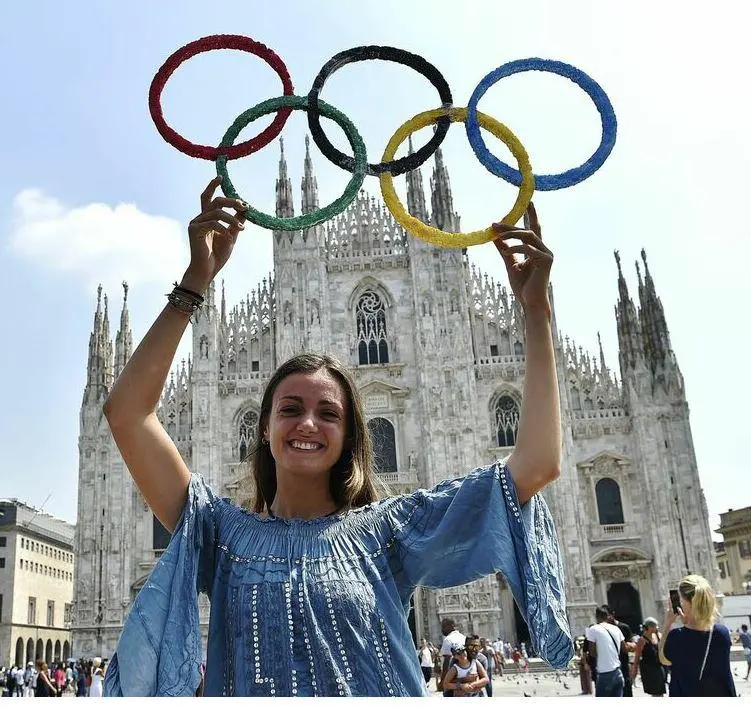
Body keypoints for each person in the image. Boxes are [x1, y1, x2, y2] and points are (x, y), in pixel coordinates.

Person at [102, 179, 571, 697]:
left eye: (328, 413)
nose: (307, 423)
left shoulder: (389, 532)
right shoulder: (219, 534)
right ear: (264, 427)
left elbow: (537, 465)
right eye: (290, 409)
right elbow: (127, 415)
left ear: (350, 435)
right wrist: (194, 283)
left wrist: (536, 314)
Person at [659, 574, 736, 696]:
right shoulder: (723, 633)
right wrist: (689, 621)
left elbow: (664, 659)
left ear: (684, 604)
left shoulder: (676, 637)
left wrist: (668, 622)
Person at [585, 605, 626, 696]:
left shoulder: (593, 629)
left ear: (596, 616)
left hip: (604, 673)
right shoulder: (616, 628)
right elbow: (624, 648)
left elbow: (592, 652)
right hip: (618, 673)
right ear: (607, 616)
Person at [605, 606, 635, 697]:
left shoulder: (624, 627)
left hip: (623, 665)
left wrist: (627, 645)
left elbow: (632, 644)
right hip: (609, 667)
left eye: (606, 615)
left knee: (626, 692)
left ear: (612, 614)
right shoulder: (602, 630)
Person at [631, 617, 665, 697]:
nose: (657, 628)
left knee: (660, 692)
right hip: (649, 670)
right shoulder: (642, 640)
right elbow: (637, 657)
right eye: (655, 626)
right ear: (650, 627)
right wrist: (635, 671)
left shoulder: (657, 636)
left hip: (658, 668)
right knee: (656, 693)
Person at [439, 619, 467, 696]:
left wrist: (443, 681)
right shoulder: (464, 637)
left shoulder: (448, 639)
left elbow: (447, 661)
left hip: (452, 679)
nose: (442, 629)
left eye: (443, 627)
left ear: (451, 626)